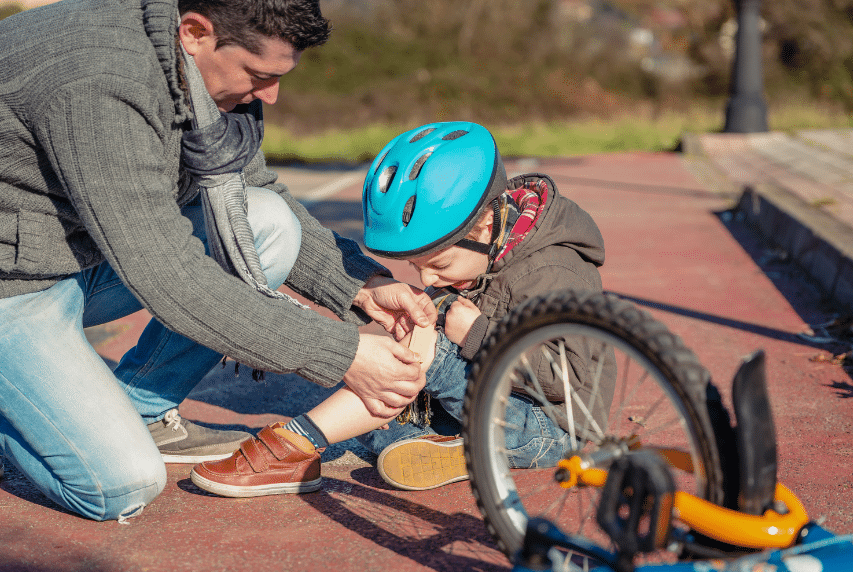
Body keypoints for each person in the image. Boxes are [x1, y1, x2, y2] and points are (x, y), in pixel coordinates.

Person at [0, 0, 436, 522]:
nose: (270, 95)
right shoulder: (100, 82)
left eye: (280, 75)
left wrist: (361, 286)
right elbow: (170, 279)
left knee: (267, 221)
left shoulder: (204, 79)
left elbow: (253, 189)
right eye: (257, 73)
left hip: (69, 252)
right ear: (195, 32)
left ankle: (138, 408)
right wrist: (344, 354)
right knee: (120, 484)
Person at [189, 121, 612, 496]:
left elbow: (566, 381)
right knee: (386, 411)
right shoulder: (486, 247)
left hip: (549, 429)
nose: (427, 279)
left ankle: (295, 443)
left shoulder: (553, 270)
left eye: (439, 264)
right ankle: (456, 448)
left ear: (483, 227)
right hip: (486, 401)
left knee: (419, 356)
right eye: (416, 267)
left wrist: (480, 333)